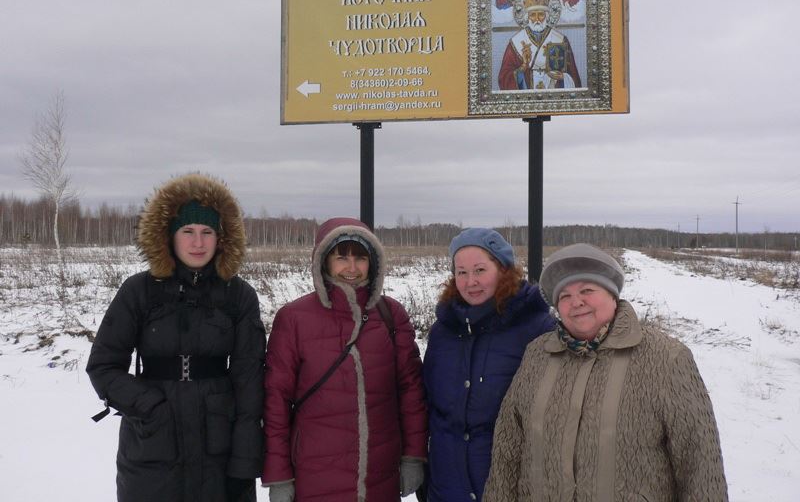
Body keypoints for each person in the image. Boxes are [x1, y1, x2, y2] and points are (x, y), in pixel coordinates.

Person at [483, 243, 729, 501]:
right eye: (564, 296)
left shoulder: (666, 358)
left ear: (612, 295)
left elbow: (699, 463)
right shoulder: (537, 355)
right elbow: (507, 451)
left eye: (587, 290)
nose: (576, 302)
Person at [86, 173, 266, 502]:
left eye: (207, 232)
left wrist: (244, 464)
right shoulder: (138, 291)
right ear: (169, 236)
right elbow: (103, 367)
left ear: (221, 238)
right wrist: (151, 408)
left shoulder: (238, 296)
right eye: (188, 232)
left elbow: (249, 383)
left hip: (219, 450)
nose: (198, 243)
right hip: (152, 451)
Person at [262, 217, 427, 502]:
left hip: (380, 478)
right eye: (341, 257)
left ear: (372, 262)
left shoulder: (391, 315)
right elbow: (275, 400)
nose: (351, 268)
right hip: (314, 478)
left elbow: (411, 391)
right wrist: (279, 475)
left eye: (360, 258)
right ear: (323, 261)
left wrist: (413, 455)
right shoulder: (294, 318)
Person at [422, 228, 555, 502]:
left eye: (480, 270)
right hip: (447, 488)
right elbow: (429, 406)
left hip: (509, 489)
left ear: (503, 270)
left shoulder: (537, 328)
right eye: (461, 272)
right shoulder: (442, 332)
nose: (471, 281)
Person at [497, 0, 582, 90]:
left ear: (547, 16)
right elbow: (504, 78)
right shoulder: (516, 42)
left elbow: (574, 78)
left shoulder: (560, 39)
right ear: (527, 17)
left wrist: (563, 77)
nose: (537, 19)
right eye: (532, 15)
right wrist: (523, 67)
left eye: (541, 14)